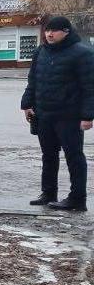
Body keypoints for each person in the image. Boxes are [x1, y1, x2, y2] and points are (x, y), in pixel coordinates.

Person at [21, 16, 94, 211]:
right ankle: (48, 193)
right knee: (48, 155)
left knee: (74, 156)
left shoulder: (82, 54)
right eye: (47, 30)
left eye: (54, 30)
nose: (49, 34)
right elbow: (33, 81)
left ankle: (77, 199)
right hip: (44, 114)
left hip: (69, 116)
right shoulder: (41, 52)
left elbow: (89, 87)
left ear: (66, 32)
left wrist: (88, 116)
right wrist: (27, 104)